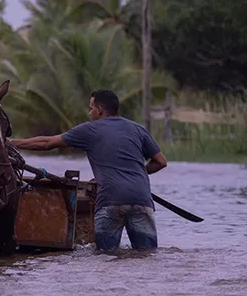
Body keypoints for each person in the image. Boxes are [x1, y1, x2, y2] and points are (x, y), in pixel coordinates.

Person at [9, 89, 167, 251]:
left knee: (106, 257)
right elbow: (161, 162)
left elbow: (47, 143)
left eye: (91, 108)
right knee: (146, 256)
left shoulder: (90, 129)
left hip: (110, 200)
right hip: (142, 199)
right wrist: (136, 174)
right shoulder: (138, 129)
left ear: (99, 109)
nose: (90, 112)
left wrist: (11, 143)